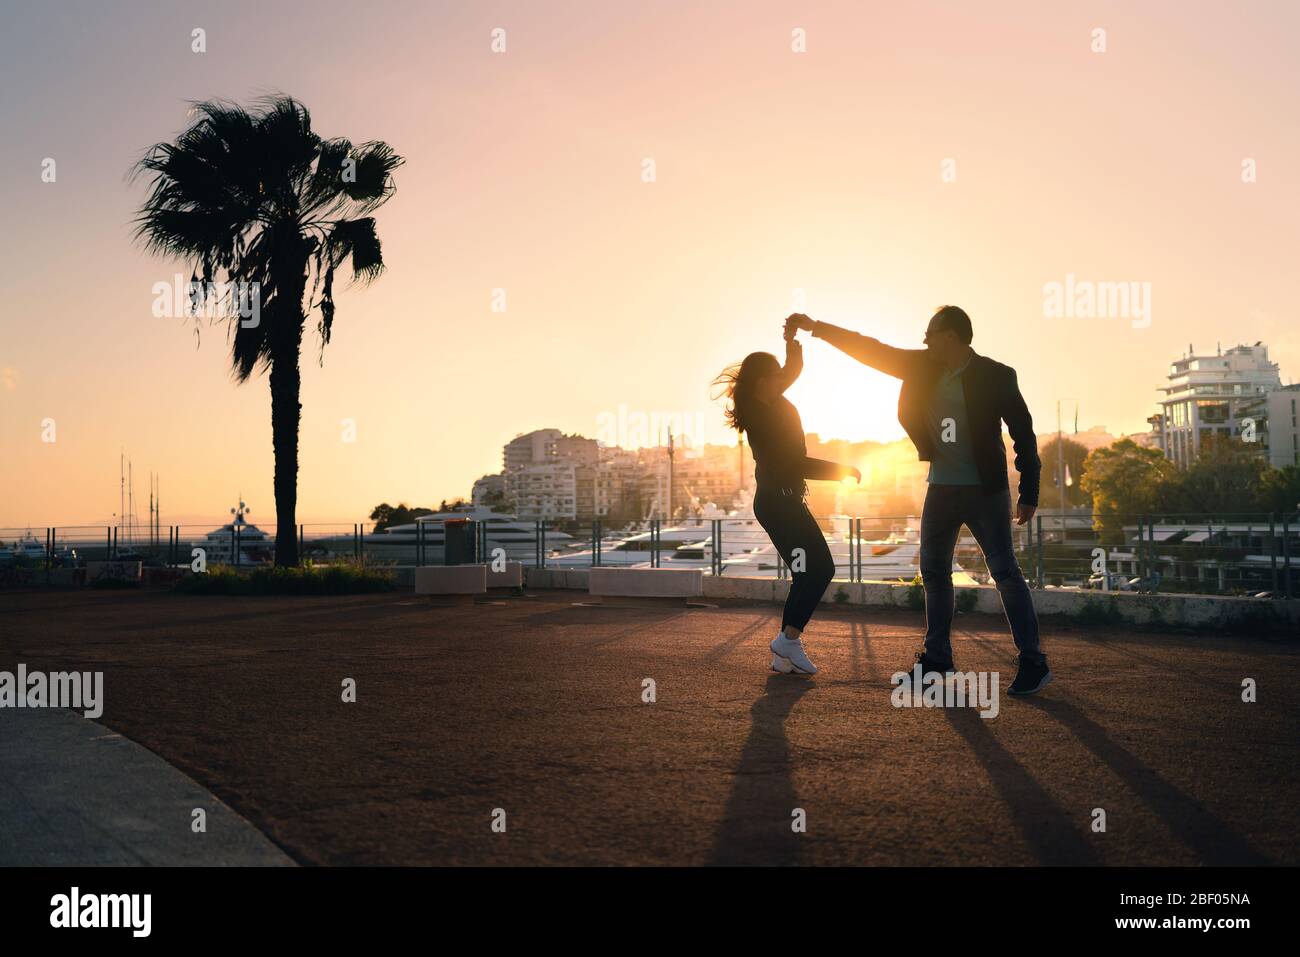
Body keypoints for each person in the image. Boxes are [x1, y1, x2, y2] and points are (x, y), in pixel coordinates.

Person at [785, 307, 1052, 695]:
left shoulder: (996, 375)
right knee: (934, 572)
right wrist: (817, 328)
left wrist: (1029, 491)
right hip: (941, 487)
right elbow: (869, 349)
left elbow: (1023, 434)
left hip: (985, 490)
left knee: (1005, 572)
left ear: (953, 335)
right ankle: (937, 660)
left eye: (931, 332)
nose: (924, 338)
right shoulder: (921, 366)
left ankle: (1033, 661)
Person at [713, 324, 860, 675]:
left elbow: (792, 370)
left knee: (805, 572)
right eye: (776, 375)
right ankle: (788, 641)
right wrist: (841, 469)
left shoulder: (770, 397)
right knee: (820, 569)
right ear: (763, 382)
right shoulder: (762, 419)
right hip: (779, 505)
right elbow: (796, 463)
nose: (783, 378)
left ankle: (783, 655)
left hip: (785, 501)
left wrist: (792, 344)